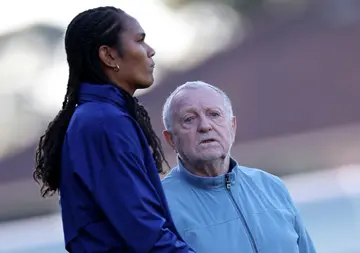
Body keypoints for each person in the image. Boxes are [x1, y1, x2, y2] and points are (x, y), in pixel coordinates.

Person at [33, 6, 194, 253]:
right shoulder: (104, 122)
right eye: (140, 40)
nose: (150, 50)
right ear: (108, 56)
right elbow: (143, 231)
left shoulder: (101, 116)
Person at [161, 81, 317, 253]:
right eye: (189, 119)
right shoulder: (159, 206)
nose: (205, 126)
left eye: (214, 114)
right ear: (171, 140)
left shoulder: (272, 187)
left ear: (232, 127)